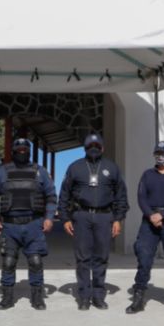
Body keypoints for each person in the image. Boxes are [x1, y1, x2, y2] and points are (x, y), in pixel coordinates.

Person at [0, 137, 57, 311]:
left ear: (29, 151)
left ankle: (37, 298)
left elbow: (51, 196)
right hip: (9, 226)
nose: (22, 152)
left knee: (35, 261)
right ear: (14, 151)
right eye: (19, 150)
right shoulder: (3, 172)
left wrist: (49, 217)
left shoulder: (40, 171)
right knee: (9, 262)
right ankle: (7, 298)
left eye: (25, 150)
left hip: (34, 224)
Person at [60, 132, 128, 310]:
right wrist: (65, 218)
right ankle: (83, 296)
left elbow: (121, 195)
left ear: (102, 148)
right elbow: (64, 195)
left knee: (101, 257)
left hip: (105, 217)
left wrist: (118, 219)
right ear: (85, 148)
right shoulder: (75, 167)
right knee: (82, 258)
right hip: (81, 216)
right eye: (90, 146)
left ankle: (98, 295)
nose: (94, 149)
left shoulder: (111, 168)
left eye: (97, 146)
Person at [127, 141, 164, 316]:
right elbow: (141, 197)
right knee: (144, 260)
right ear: (154, 155)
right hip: (149, 220)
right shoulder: (147, 175)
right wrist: (151, 215)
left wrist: (162, 215)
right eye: (158, 153)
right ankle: (138, 299)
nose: (162, 157)